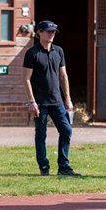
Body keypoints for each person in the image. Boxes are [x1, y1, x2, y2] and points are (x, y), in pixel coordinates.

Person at [22, 20, 80, 176]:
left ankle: (64, 167)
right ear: (39, 33)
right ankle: (44, 167)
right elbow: (26, 79)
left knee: (66, 131)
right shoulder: (32, 53)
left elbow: (63, 76)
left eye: (53, 31)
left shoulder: (59, 51)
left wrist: (67, 98)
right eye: (48, 31)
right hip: (40, 103)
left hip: (57, 101)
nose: (52, 34)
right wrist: (31, 102)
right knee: (41, 135)